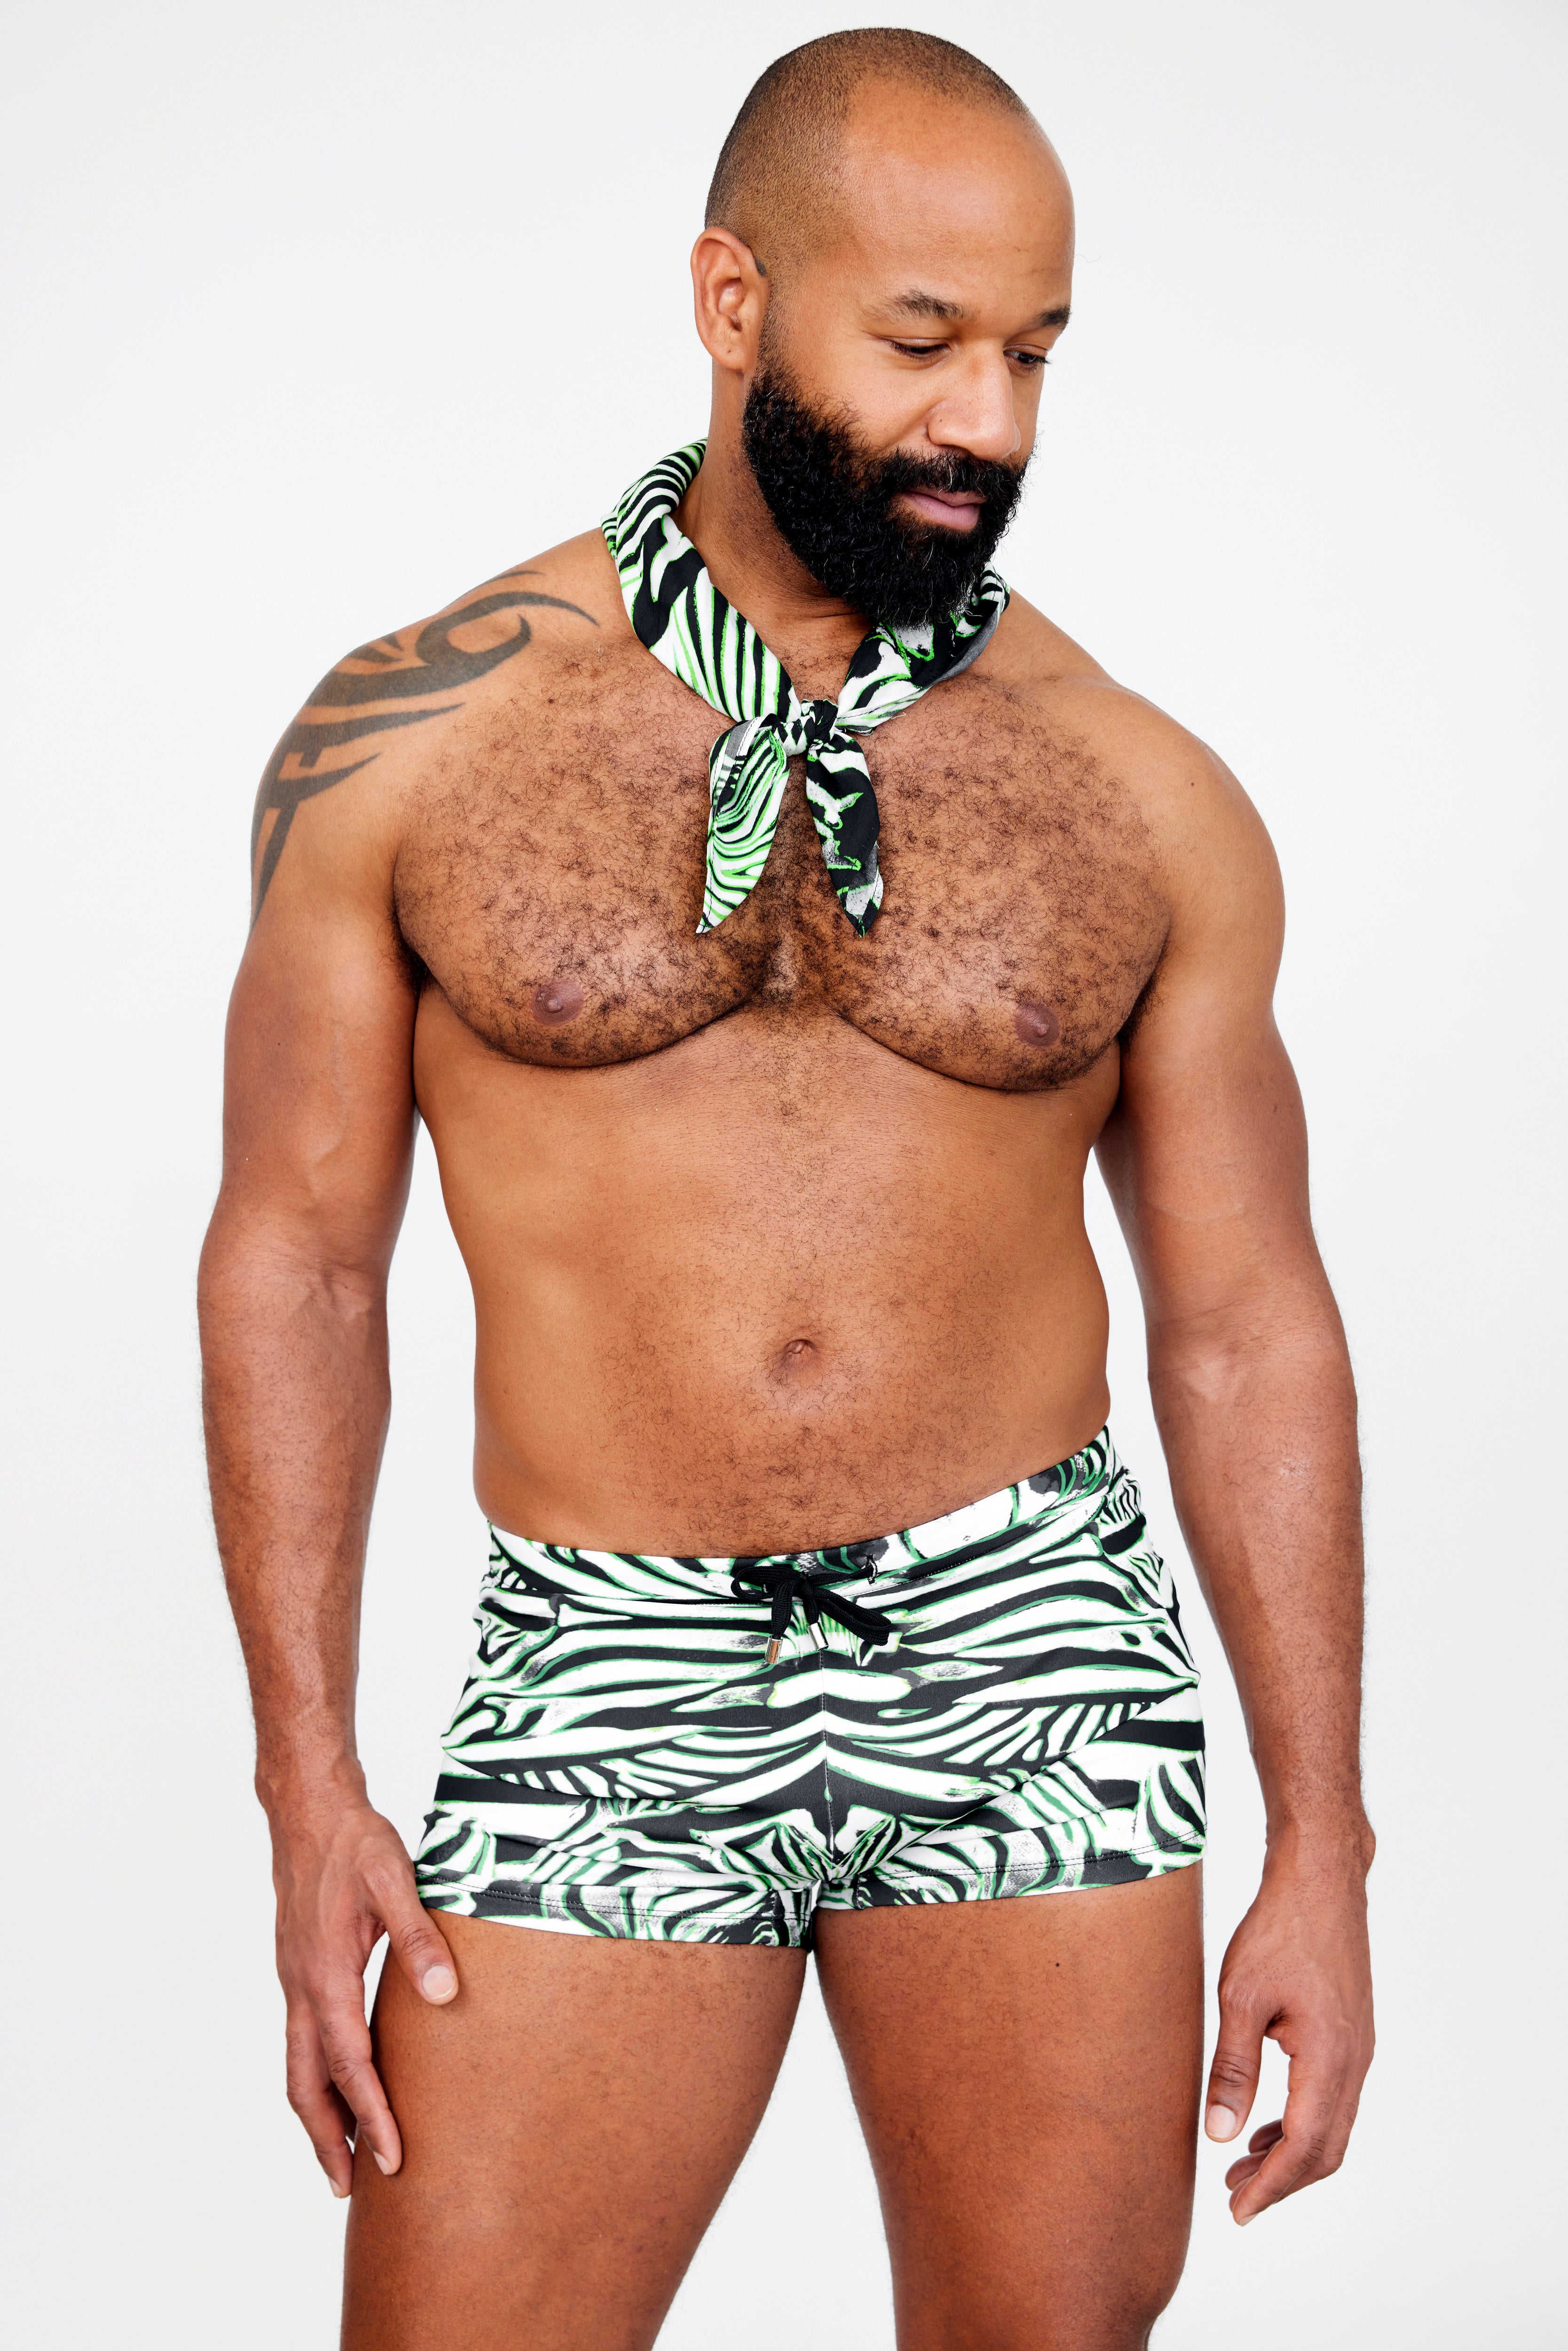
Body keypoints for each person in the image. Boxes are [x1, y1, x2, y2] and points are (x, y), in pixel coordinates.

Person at [199, 28, 1375, 2349]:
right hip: (607, 1645)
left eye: (1034, 351)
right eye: (921, 339)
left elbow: (1249, 1324)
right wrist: (306, 1781)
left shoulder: (1140, 793)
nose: (986, 423)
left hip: (1026, 1634)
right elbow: (300, 1261)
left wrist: (1323, 1834)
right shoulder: (409, 742)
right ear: (732, 300)